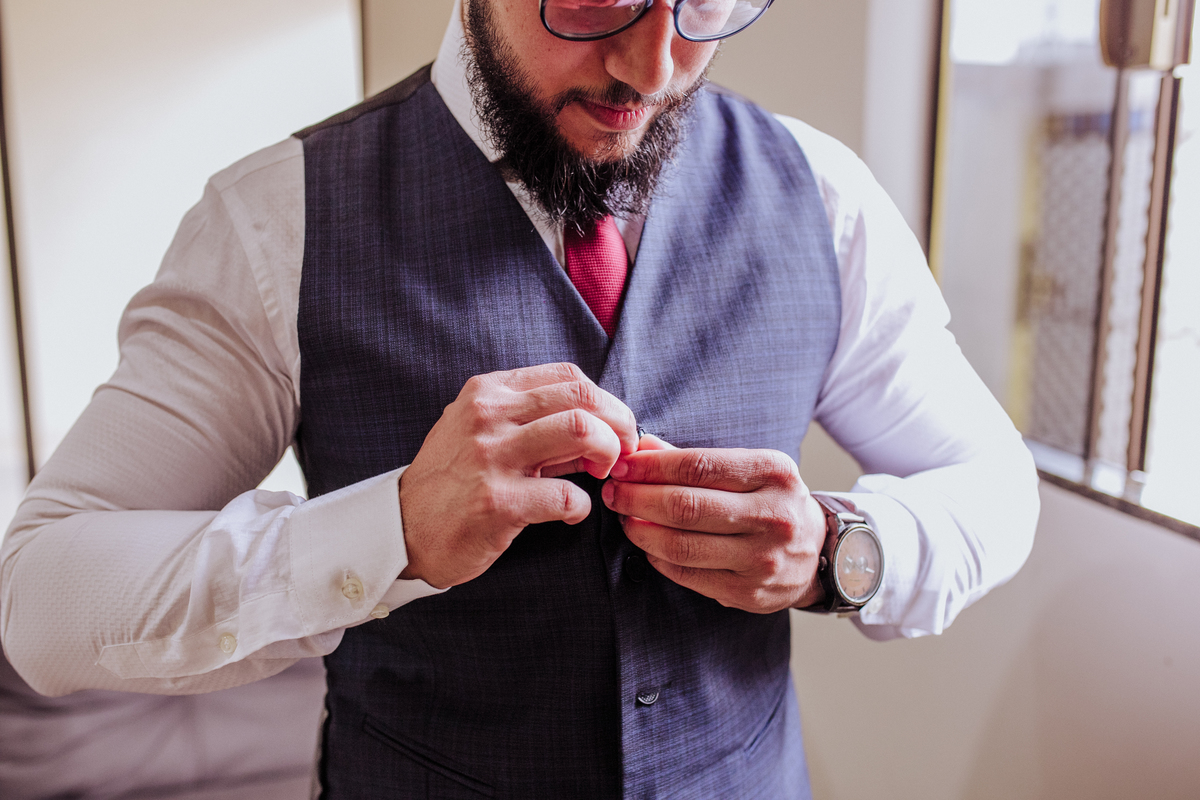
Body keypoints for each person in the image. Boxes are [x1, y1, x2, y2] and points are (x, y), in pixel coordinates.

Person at [0, 0, 1040, 796]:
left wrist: (840, 551)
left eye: (704, 3)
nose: (653, 66)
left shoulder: (825, 198)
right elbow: (41, 597)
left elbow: (994, 484)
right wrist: (389, 531)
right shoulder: (276, 223)